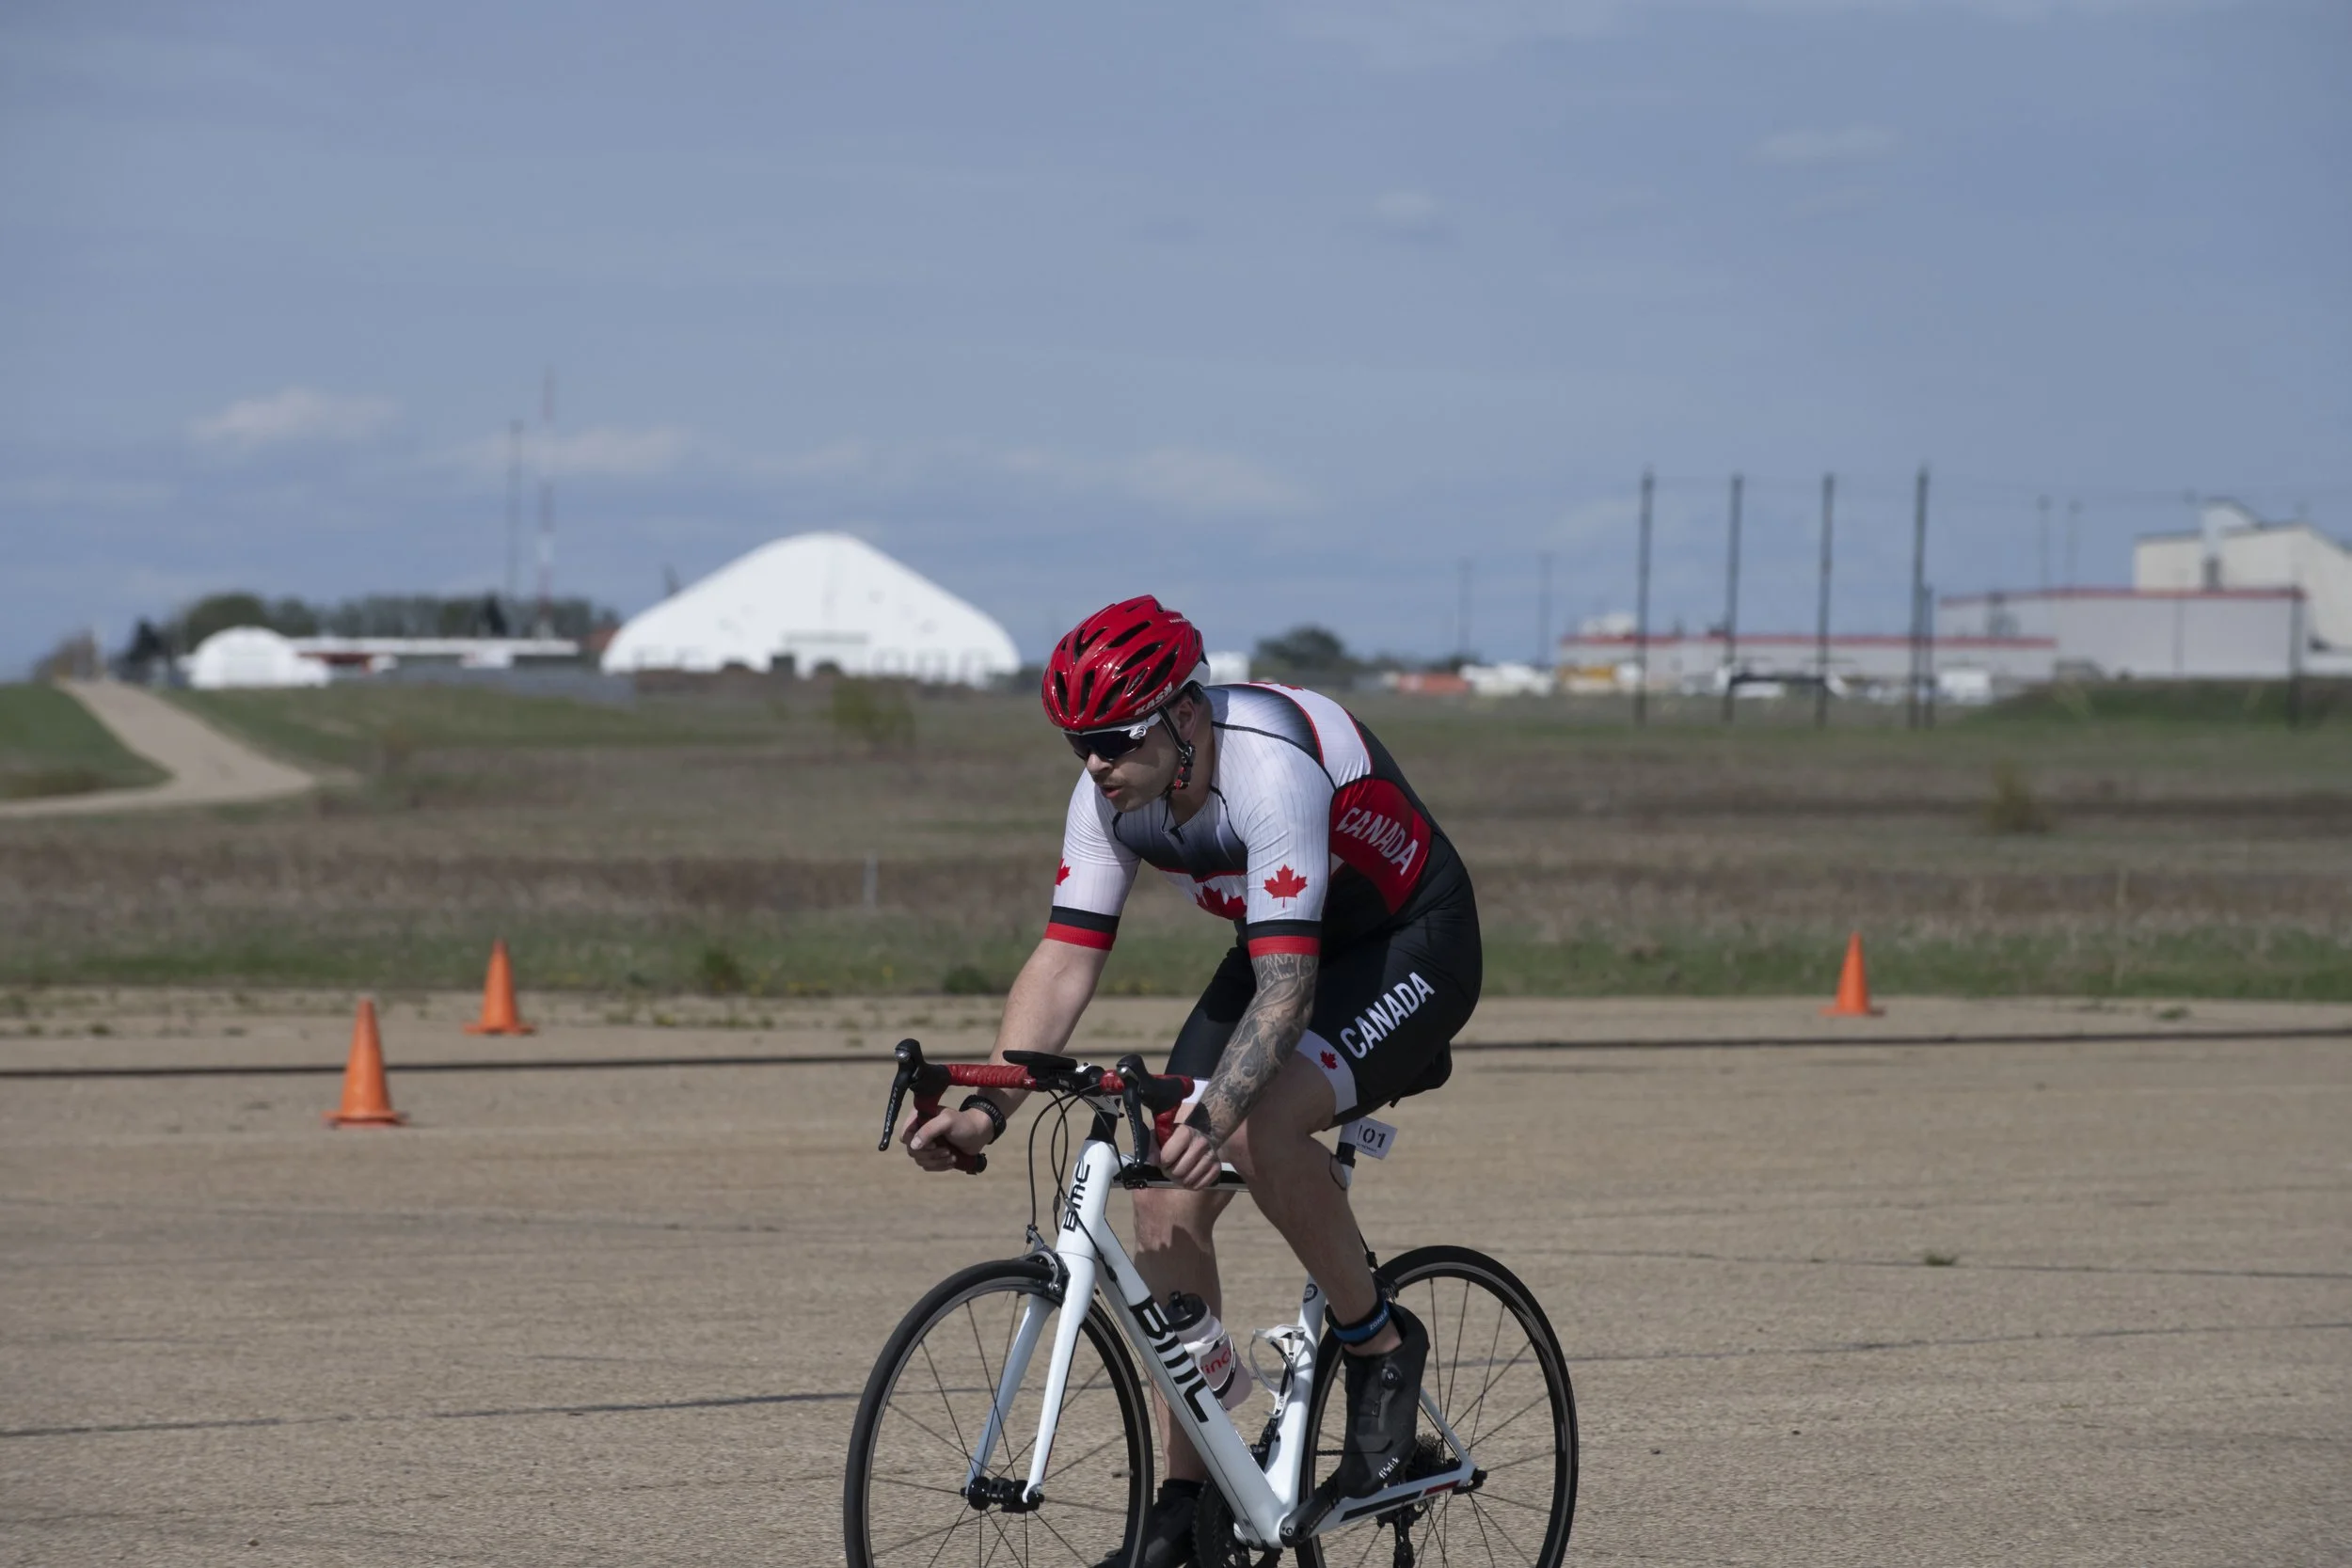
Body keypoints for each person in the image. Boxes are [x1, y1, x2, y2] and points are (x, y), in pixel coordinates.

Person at [902, 596, 1481, 1564]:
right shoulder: (1108, 795)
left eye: (1113, 738)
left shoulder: (1268, 768)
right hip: (1283, 941)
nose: (1094, 762)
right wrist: (986, 1107)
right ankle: (1189, 1509)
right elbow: (1064, 959)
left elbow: (1289, 986)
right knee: (1163, 1194)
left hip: (1405, 942)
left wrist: (1221, 1110)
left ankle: (1379, 1347)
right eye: (1076, 742)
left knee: (1252, 1127)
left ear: (1183, 715)